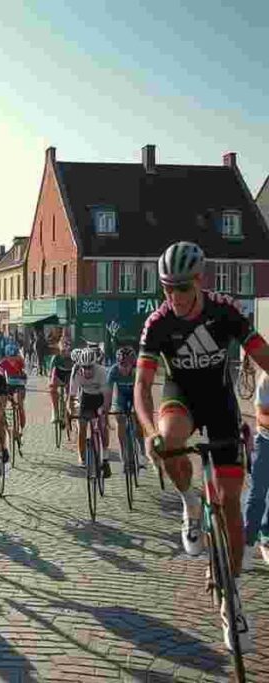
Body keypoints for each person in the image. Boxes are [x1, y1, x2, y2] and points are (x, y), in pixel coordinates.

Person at [136, 241, 269, 651]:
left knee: (231, 504)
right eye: (165, 288)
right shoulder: (157, 323)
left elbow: (262, 354)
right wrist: (148, 432)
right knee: (171, 438)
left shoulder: (224, 310)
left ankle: (231, 601)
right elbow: (142, 386)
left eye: (179, 288)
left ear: (199, 281)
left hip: (222, 405)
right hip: (183, 398)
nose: (171, 297)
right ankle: (190, 503)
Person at [68, 347, 113, 475]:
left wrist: (104, 409)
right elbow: (71, 396)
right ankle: (82, 457)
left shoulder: (102, 372)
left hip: (100, 397)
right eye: (84, 367)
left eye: (90, 367)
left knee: (102, 426)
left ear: (95, 365)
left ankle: (105, 457)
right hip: (86, 397)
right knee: (82, 426)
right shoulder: (76, 371)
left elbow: (107, 396)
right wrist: (70, 412)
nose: (87, 370)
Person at [244, 370, 269, 567]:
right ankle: (247, 544)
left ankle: (266, 536)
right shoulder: (266, 378)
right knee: (258, 494)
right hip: (266, 441)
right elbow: (260, 414)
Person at [107, 346, 143, 470]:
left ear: (133, 364)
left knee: (138, 420)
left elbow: (143, 393)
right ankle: (124, 454)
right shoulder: (113, 371)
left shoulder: (137, 372)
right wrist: (107, 410)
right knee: (119, 419)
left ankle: (141, 451)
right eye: (121, 364)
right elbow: (108, 392)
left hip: (135, 396)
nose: (124, 367)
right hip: (121, 397)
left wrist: (140, 411)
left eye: (127, 365)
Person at [0, 342, 27, 431]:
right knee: (2, 401)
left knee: (19, 402)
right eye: (10, 358)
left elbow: (24, 365)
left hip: (19, 387)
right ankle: (3, 419)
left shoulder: (19, 361)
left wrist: (20, 359)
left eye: (14, 357)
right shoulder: (3, 363)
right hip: (7, 387)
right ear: (6, 356)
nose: (12, 360)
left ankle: (21, 418)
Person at [48, 336, 74, 423]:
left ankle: (69, 409)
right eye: (63, 351)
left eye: (68, 351)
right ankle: (55, 411)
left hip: (70, 375)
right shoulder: (55, 358)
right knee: (52, 388)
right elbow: (51, 374)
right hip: (59, 375)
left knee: (70, 391)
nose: (65, 353)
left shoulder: (73, 357)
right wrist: (52, 385)